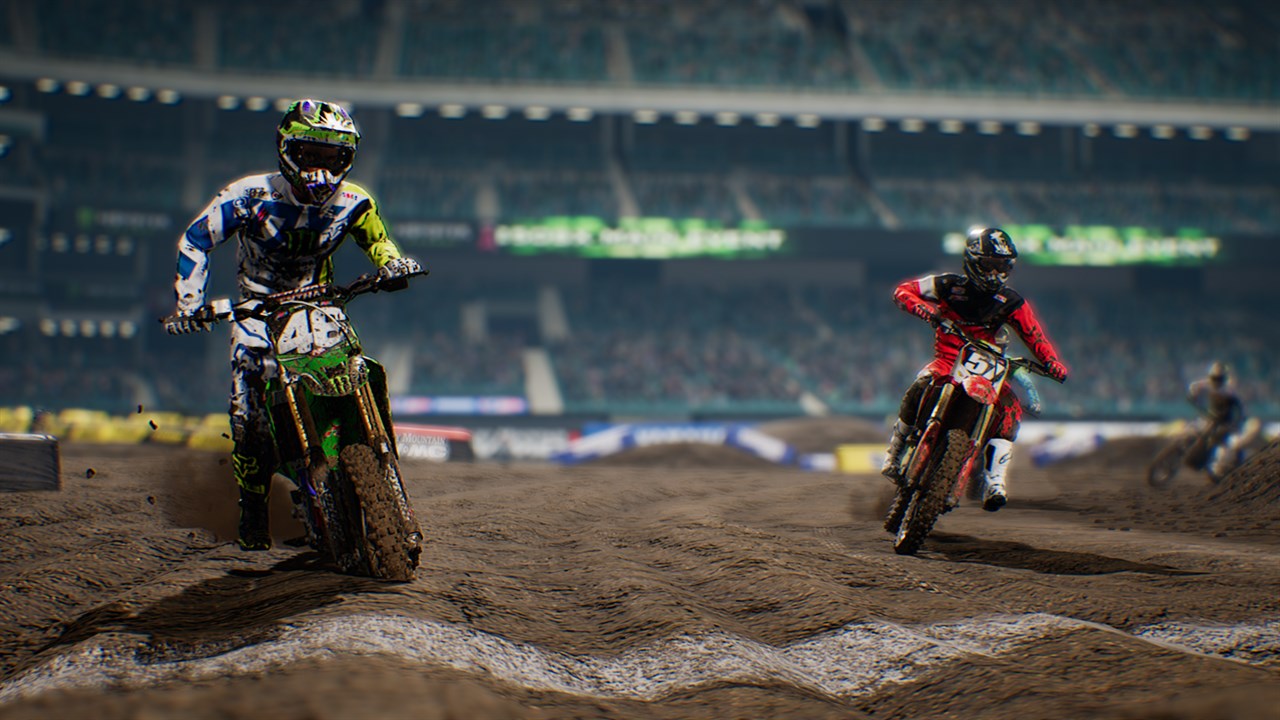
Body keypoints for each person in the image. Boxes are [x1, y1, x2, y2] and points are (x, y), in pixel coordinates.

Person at [163, 99, 422, 550]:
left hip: (320, 305)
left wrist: (393, 264)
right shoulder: (249, 195)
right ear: (288, 150)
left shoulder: (355, 201)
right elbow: (196, 239)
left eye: (332, 157)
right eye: (310, 154)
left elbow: (379, 243)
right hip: (256, 311)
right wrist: (190, 304)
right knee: (248, 416)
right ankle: (253, 508)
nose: (321, 168)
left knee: (356, 369)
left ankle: (372, 457)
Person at [881, 227, 1068, 511]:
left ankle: (995, 481)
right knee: (920, 385)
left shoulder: (1012, 301)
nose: (995, 274)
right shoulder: (947, 285)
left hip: (987, 370)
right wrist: (927, 311)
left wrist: (1052, 362)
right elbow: (903, 291)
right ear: (973, 261)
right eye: (989, 265)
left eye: (1002, 267)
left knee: (1010, 410)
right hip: (948, 361)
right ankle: (895, 451)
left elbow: (1034, 336)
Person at [1187, 362, 1248, 478]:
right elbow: (1194, 387)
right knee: (1194, 429)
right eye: (1214, 378)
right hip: (1210, 417)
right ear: (1210, 377)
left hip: (1225, 421)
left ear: (1224, 378)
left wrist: (1239, 420)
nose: (1216, 381)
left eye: (1219, 379)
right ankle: (1188, 450)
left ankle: (1216, 466)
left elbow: (1240, 406)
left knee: (1221, 442)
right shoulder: (1206, 384)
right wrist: (1193, 397)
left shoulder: (1229, 391)